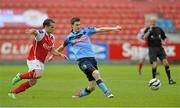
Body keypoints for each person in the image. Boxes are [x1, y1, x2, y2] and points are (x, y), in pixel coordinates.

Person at [48, 17, 121, 98]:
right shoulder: (69, 37)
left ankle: (79, 94)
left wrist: (114, 28)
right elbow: (62, 47)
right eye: (77, 25)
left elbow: (100, 29)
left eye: (79, 24)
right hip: (82, 61)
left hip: (92, 59)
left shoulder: (86, 31)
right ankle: (107, 92)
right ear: (72, 25)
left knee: (92, 86)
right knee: (96, 73)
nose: (79, 26)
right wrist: (52, 55)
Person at [8, 18, 67, 99]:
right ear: (46, 26)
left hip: (41, 61)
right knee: (38, 74)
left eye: (54, 27)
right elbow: (36, 32)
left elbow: (52, 50)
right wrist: (32, 31)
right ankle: (20, 76)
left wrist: (60, 55)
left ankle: (12, 92)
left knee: (33, 82)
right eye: (52, 27)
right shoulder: (42, 33)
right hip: (34, 58)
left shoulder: (52, 37)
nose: (54, 28)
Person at [144, 18, 176, 84]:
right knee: (155, 64)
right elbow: (144, 37)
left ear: (155, 22)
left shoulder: (159, 29)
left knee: (166, 63)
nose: (153, 22)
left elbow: (164, 37)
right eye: (151, 21)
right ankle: (153, 80)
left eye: (154, 21)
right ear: (149, 22)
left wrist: (165, 41)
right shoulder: (147, 29)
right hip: (152, 49)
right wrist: (149, 31)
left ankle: (170, 79)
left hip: (160, 48)